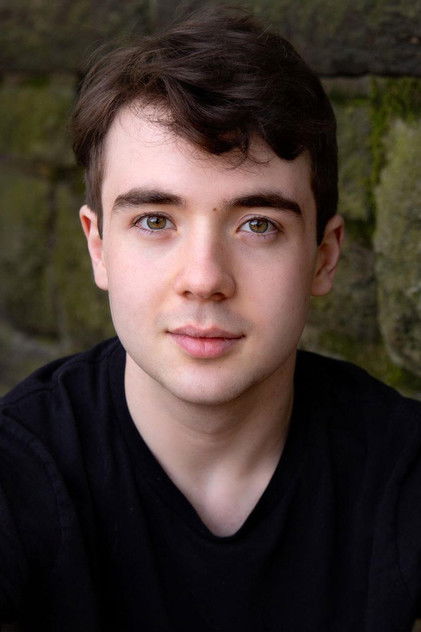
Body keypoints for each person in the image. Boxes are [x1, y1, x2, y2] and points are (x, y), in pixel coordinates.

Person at [1, 5, 420, 632]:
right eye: (155, 220)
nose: (204, 278)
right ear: (98, 247)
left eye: (258, 225)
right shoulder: (17, 473)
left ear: (324, 257)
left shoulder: (401, 468)